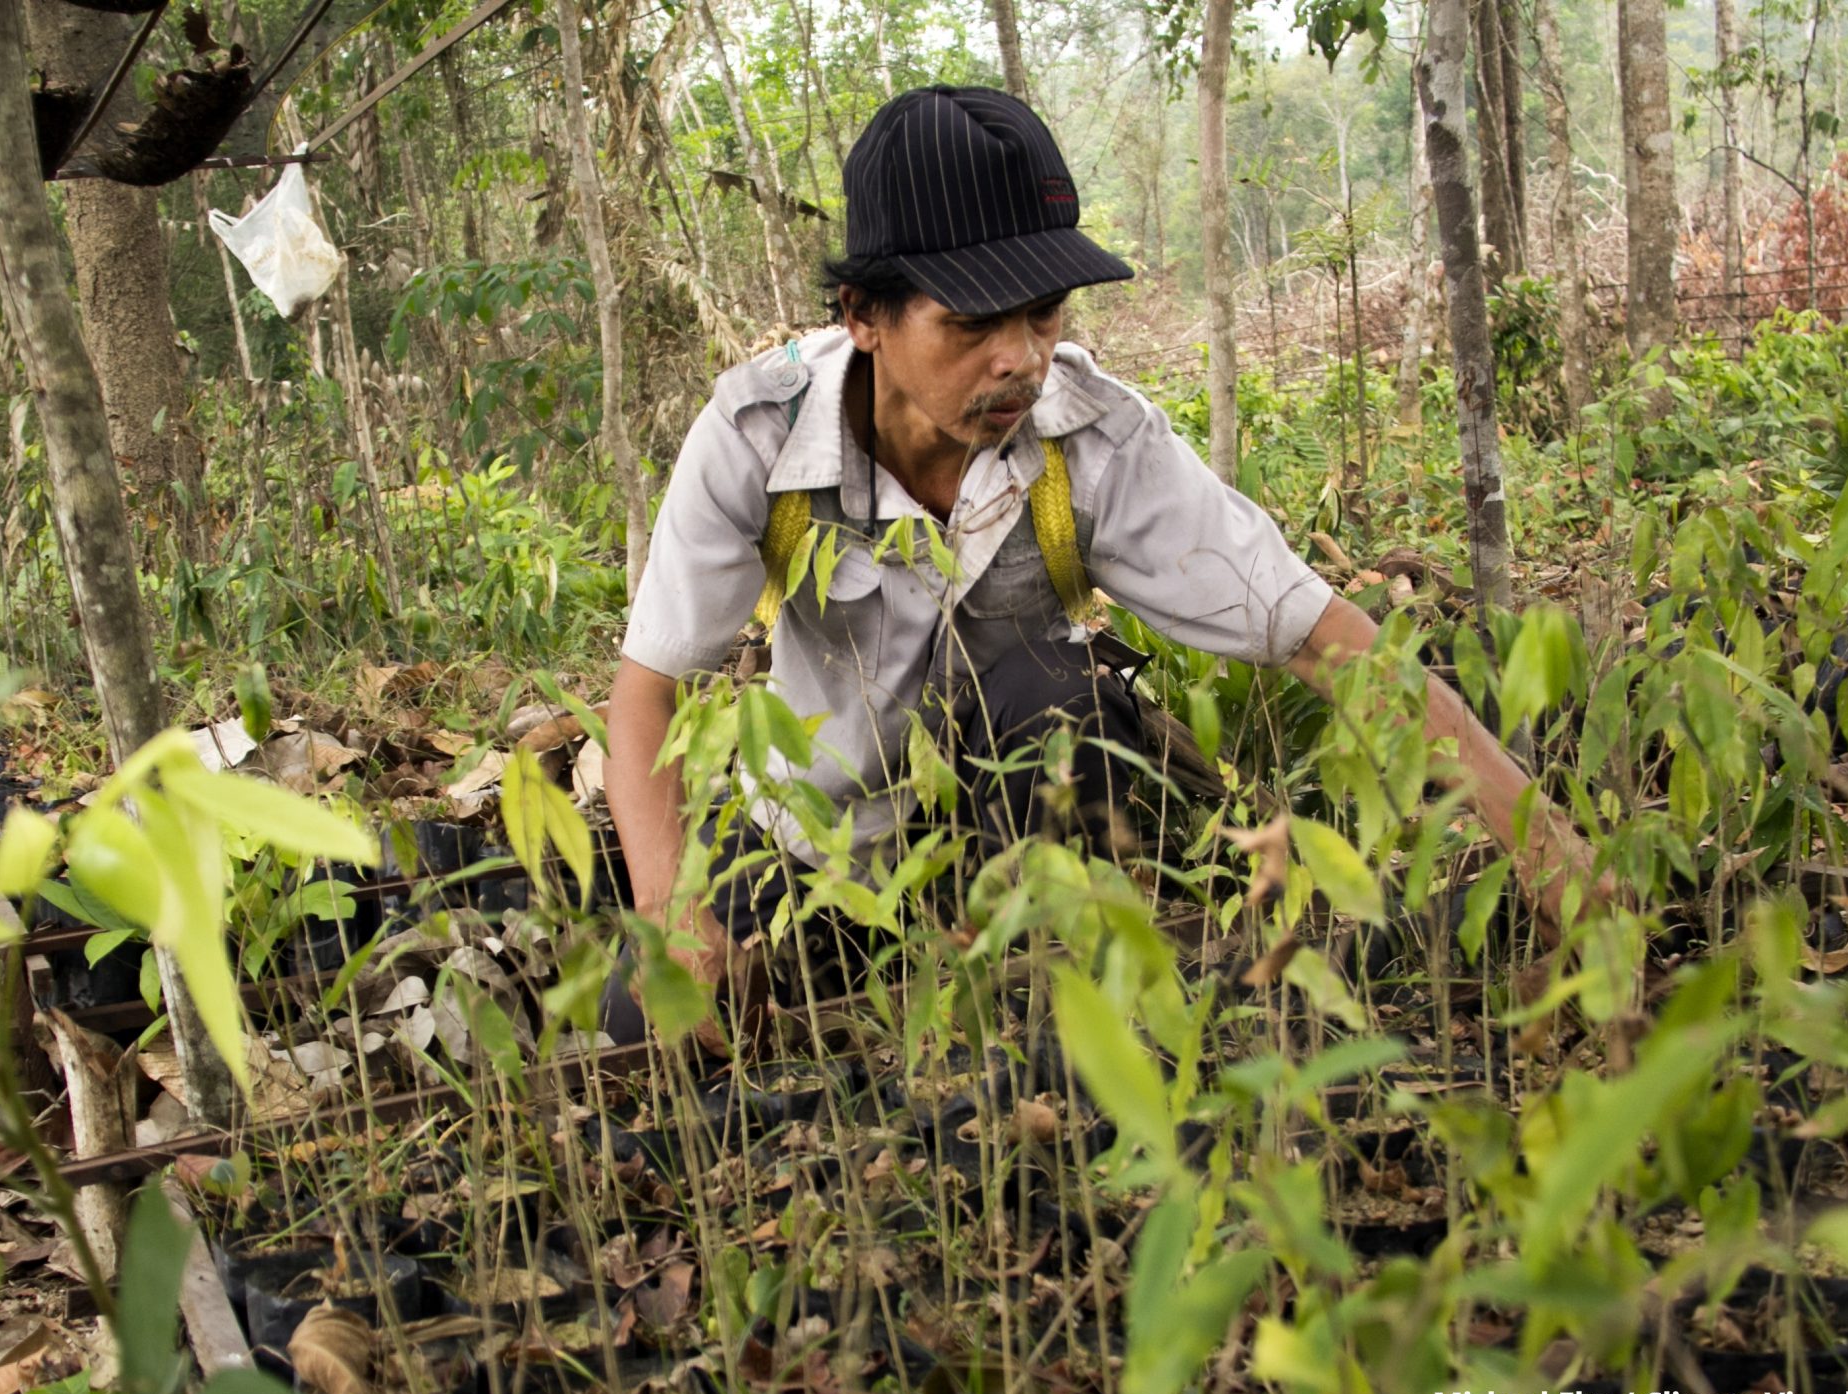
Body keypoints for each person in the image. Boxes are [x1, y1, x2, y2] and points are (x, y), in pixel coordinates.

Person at [600, 85, 1589, 1045]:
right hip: (816, 837)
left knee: (1049, 686)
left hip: (1035, 818)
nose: (1020, 360)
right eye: (972, 324)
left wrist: (1548, 855)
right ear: (864, 315)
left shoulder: (1097, 440)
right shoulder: (757, 438)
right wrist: (667, 913)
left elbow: (1323, 641)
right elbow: (649, 689)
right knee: (646, 1022)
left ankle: (1062, 1008)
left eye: (1043, 314)